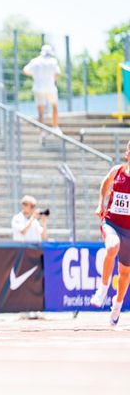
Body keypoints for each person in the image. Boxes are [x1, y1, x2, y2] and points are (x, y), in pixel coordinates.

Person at [90, 140, 130, 326]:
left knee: (124, 274)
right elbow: (105, 183)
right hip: (112, 222)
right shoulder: (117, 171)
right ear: (127, 153)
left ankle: (117, 305)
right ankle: (103, 289)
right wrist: (101, 203)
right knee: (112, 246)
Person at [23, 44, 62, 135]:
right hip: (50, 87)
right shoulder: (53, 61)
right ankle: (55, 127)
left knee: (41, 110)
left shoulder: (35, 61)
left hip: (38, 87)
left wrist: (35, 75)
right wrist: (53, 79)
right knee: (54, 107)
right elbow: (57, 73)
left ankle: (41, 130)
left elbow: (25, 70)